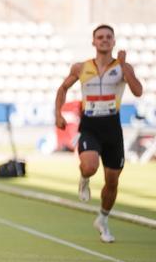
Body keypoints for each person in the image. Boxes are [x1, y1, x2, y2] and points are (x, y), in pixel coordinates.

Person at [55, 24, 144, 243]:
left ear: (113, 42)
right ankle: (84, 178)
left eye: (108, 37)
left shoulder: (123, 67)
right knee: (89, 166)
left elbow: (138, 91)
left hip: (112, 130)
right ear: (93, 42)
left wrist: (124, 65)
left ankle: (102, 219)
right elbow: (62, 88)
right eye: (100, 37)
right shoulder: (81, 67)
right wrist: (58, 113)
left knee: (112, 181)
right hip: (90, 127)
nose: (104, 40)